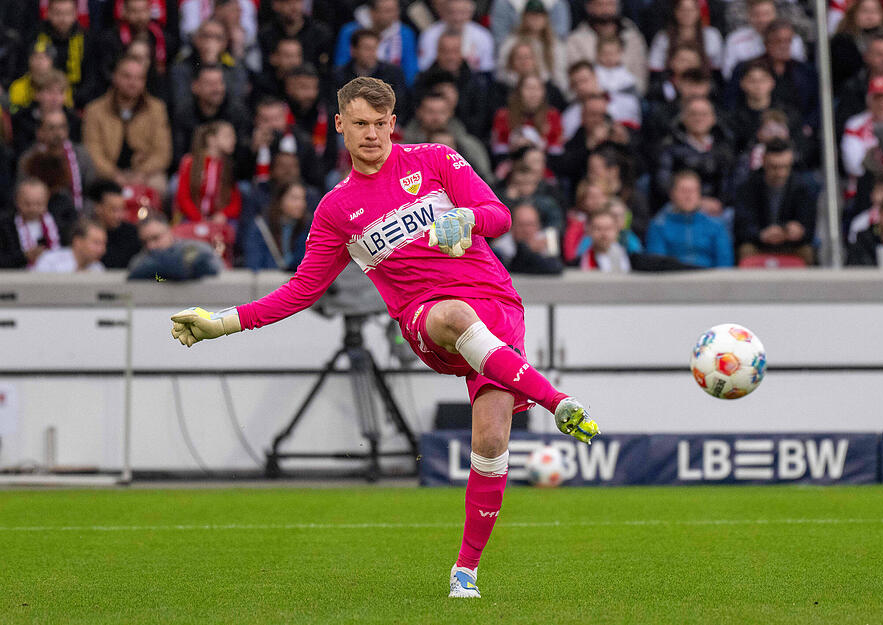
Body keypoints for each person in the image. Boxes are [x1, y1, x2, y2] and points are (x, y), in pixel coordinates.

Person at [168, 77, 600, 598]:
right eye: (360, 124)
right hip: (427, 316)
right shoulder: (336, 209)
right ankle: (557, 400)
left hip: (498, 305)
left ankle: (465, 572)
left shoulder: (437, 160)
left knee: (490, 440)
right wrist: (224, 321)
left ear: (393, 125)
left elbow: (500, 216)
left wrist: (468, 218)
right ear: (340, 126)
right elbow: (303, 290)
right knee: (455, 316)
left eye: (380, 124)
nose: (371, 135)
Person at [82, 55, 172, 195]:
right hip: (107, 173)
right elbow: (92, 151)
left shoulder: (157, 109)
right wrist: (114, 175)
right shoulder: (95, 110)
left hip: (144, 173)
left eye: (139, 78)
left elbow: (162, 152)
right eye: (127, 77)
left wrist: (141, 174)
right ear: (115, 77)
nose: (133, 83)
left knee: (160, 185)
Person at [733, 139, 816, 264]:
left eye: (785, 167)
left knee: (807, 252)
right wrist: (761, 235)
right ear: (764, 162)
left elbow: (809, 228)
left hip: (791, 244)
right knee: (746, 251)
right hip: (759, 244)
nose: (780, 173)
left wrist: (797, 231)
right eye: (774, 167)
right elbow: (741, 226)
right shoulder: (749, 186)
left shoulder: (803, 187)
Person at [646, 169, 734, 267]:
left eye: (693, 191)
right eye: (683, 191)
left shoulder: (716, 226)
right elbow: (657, 264)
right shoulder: (658, 226)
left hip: (709, 279)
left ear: (700, 194)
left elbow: (725, 264)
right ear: (672, 194)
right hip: (672, 278)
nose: (688, 196)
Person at [175, 121, 242, 224]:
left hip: (218, 219)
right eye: (227, 136)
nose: (233, 140)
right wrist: (198, 218)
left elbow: (235, 201)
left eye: (234, 136)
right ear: (211, 139)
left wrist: (223, 214)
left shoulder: (228, 166)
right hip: (192, 217)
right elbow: (183, 197)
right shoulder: (190, 163)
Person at [128, 213, 223, 280]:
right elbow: (134, 271)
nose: (150, 246)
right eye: (145, 242)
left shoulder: (194, 247)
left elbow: (181, 269)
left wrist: (155, 271)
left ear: (169, 232)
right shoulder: (141, 257)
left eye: (156, 238)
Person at [0, 178, 64, 269]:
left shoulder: (59, 224)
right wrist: (24, 256)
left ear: (46, 201)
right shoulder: (4, 226)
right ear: (17, 201)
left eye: (38, 204)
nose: (33, 209)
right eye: (27, 204)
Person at [489, 202, 564, 274]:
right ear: (512, 226)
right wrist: (527, 250)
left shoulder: (545, 239)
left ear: (538, 225)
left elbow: (556, 267)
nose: (526, 230)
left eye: (531, 224)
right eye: (522, 225)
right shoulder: (501, 246)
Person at [87, 179, 142, 269]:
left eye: (122, 209)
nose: (119, 215)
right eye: (114, 210)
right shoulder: (85, 234)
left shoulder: (131, 233)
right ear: (98, 207)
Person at [32, 217, 107, 273]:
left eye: (103, 244)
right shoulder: (50, 261)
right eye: (96, 243)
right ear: (78, 242)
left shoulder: (98, 268)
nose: (102, 250)